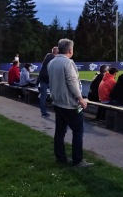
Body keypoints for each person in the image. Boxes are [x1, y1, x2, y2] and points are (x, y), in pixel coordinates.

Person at [48, 38, 92, 167]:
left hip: (57, 102)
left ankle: (60, 158)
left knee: (59, 133)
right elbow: (72, 82)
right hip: (69, 104)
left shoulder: (52, 62)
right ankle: (77, 160)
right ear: (70, 50)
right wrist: (80, 99)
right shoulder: (68, 63)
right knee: (78, 131)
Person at [37, 46, 58, 118]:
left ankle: (45, 110)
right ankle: (44, 112)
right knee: (44, 96)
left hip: (43, 79)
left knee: (44, 95)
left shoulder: (48, 56)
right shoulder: (52, 58)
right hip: (46, 79)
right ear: (56, 53)